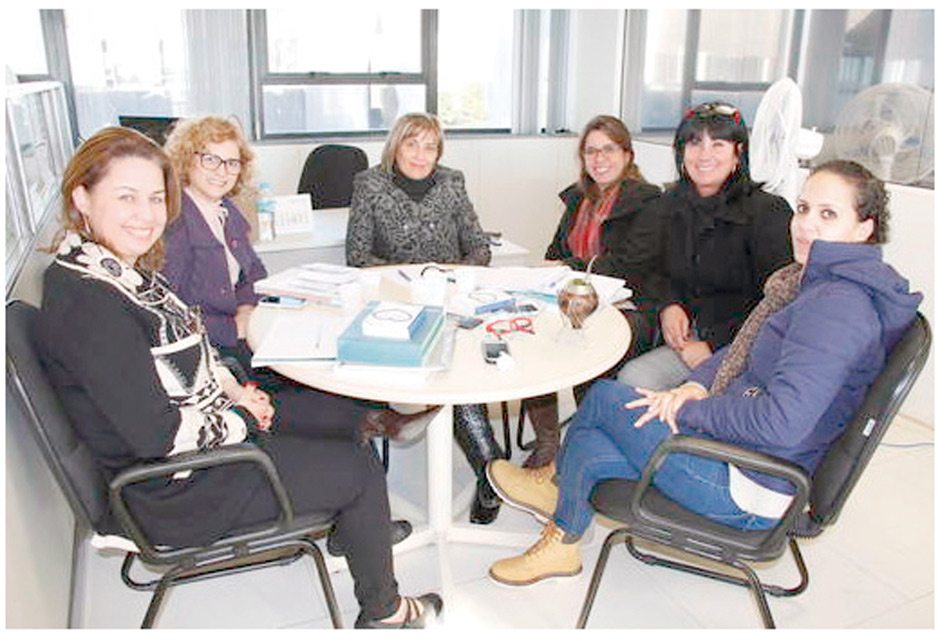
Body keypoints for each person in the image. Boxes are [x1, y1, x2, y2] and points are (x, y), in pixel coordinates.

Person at [38, 126, 442, 628]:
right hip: (173, 487)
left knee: (344, 416)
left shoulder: (116, 270)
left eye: (154, 199)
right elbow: (155, 434)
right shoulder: (90, 302)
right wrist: (241, 418)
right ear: (82, 197)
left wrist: (233, 388)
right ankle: (385, 611)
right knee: (359, 472)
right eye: (126, 197)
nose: (146, 216)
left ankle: (353, 529)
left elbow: (188, 348)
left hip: (200, 437)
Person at [483, 159, 921, 586]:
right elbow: (742, 351)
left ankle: (557, 493)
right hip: (741, 455)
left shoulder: (837, 308)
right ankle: (563, 532)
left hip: (751, 484)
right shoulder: (806, 284)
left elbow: (781, 423)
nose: (805, 225)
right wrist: (695, 384)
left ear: (865, 228)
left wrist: (688, 409)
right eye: (804, 208)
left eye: (828, 214)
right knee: (596, 439)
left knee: (605, 398)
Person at [160, 115, 428, 553]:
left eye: (231, 163)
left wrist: (246, 307)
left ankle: (355, 505)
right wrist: (233, 324)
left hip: (242, 338)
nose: (221, 171)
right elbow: (173, 314)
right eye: (210, 159)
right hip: (220, 360)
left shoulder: (225, 213)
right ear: (187, 159)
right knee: (337, 397)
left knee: (337, 365)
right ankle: (354, 490)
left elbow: (254, 273)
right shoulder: (177, 223)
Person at [347, 112, 527, 525]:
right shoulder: (370, 184)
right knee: (442, 371)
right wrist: (405, 283)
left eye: (430, 146)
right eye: (412, 144)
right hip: (399, 305)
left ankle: (489, 472)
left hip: (451, 299)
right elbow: (357, 256)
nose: (421, 154)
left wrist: (455, 278)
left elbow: (479, 247)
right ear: (396, 145)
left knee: (462, 372)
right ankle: (492, 467)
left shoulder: (452, 182)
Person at [616, 102, 793, 392]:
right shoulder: (670, 207)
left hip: (744, 345)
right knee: (628, 382)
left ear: (738, 154)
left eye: (718, 144)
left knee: (637, 382)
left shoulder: (767, 212)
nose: (704, 154)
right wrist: (670, 304)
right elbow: (653, 270)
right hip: (686, 339)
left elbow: (777, 303)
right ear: (682, 154)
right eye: (695, 143)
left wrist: (714, 345)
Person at [524, 115, 662, 469]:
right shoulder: (578, 199)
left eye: (608, 150)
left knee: (584, 347)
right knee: (527, 338)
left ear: (627, 154)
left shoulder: (647, 201)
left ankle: (590, 446)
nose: (599, 159)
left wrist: (568, 267)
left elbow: (630, 264)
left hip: (627, 305)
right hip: (574, 298)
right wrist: (558, 268)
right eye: (590, 151)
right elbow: (554, 252)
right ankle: (548, 441)